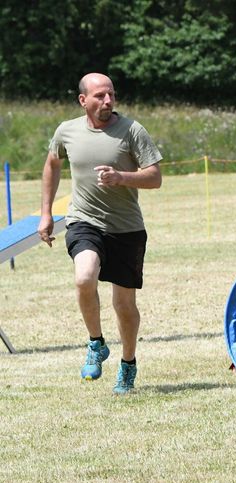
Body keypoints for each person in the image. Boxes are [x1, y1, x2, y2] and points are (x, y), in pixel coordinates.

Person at [38, 73, 162, 394]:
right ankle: (96, 343)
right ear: (83, 100)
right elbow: (52, 164)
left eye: (111, 95)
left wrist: (122, 176)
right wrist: (46, 213)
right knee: (84, 276)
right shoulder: (67, 131)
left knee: (124, 304)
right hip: (83, 220)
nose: (107, 101)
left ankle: (128, 364)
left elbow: (154, 177)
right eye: (99, 96)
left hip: (126, 228)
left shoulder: (132, 130)